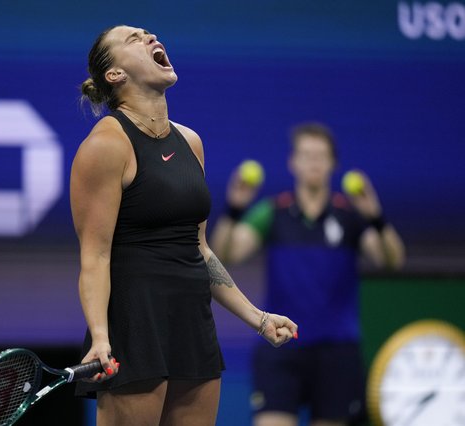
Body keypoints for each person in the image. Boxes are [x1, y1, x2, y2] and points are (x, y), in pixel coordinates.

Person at [70, 25, 298, 426]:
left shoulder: (191, 142)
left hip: (192, 325)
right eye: (133, 38)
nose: (149, 35)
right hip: (134, 326)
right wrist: (101, 337)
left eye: (147, 32)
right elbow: (95, 255)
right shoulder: (105, 145)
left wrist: (257, 318)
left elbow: (200, 250)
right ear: (115, 75)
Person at [209, 123, 406, 426]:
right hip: (280, 345)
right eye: (306, 154)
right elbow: (227, 254)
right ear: (293, 162)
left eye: (320, 155)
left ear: (333, 163)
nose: (314, 162)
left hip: (337, 352)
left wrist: (375, 216)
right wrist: (235, 209)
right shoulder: (271, 212)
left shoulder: (349, 217)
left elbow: (391, 259)